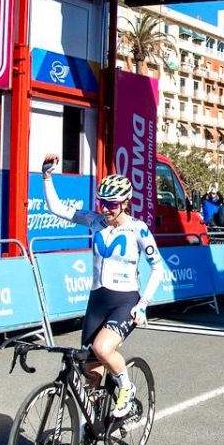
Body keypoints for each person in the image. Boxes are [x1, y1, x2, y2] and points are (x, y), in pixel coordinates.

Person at [40, 154, 159, 417]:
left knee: (103, 348)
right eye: (102, 202)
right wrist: (47, 177)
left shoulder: (138, 229)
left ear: (126, 203)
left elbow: (159, 267)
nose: (105, 208)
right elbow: (57, 208)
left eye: (111, 204)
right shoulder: (94, 220)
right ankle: (90, 430)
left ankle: (126, 389)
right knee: (90, 373)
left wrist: (143, 305)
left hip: (125, 300)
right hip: (97, 300)